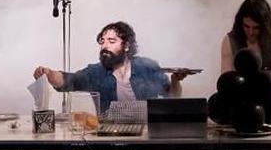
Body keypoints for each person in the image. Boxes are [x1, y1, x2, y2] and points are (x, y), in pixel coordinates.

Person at [33, 21, 186, 112]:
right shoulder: (95, 72)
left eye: (111, 42)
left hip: (147, 133)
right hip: (110, 133)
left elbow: (172, 98)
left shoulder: (147, 66)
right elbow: (68, 80)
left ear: (126, 45)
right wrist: (48, 73)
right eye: (102, 42)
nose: (104, 46)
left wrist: (175, 80)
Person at [221, 0, 271, 93]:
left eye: (256, 28)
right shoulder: (230, 40)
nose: (251, 32)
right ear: (240, 23)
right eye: (246, 26)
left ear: (264, 26)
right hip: (239, 96)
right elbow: (226, 78)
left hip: (268, 95)